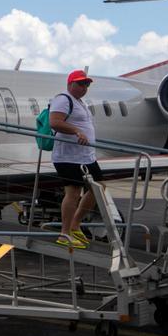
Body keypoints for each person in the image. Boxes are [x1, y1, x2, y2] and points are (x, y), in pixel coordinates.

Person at [48, 69, 103, 248]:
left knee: (98, 187)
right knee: (73, 192)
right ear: (70, 84)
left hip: (85, 156)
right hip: (68, 156)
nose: (84, 87)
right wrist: (77, 131)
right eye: (80, 83)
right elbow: (55, 122)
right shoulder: (63, 99)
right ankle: (64, 233)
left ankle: (75, 224)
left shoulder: (79, 101)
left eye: (86, 84)